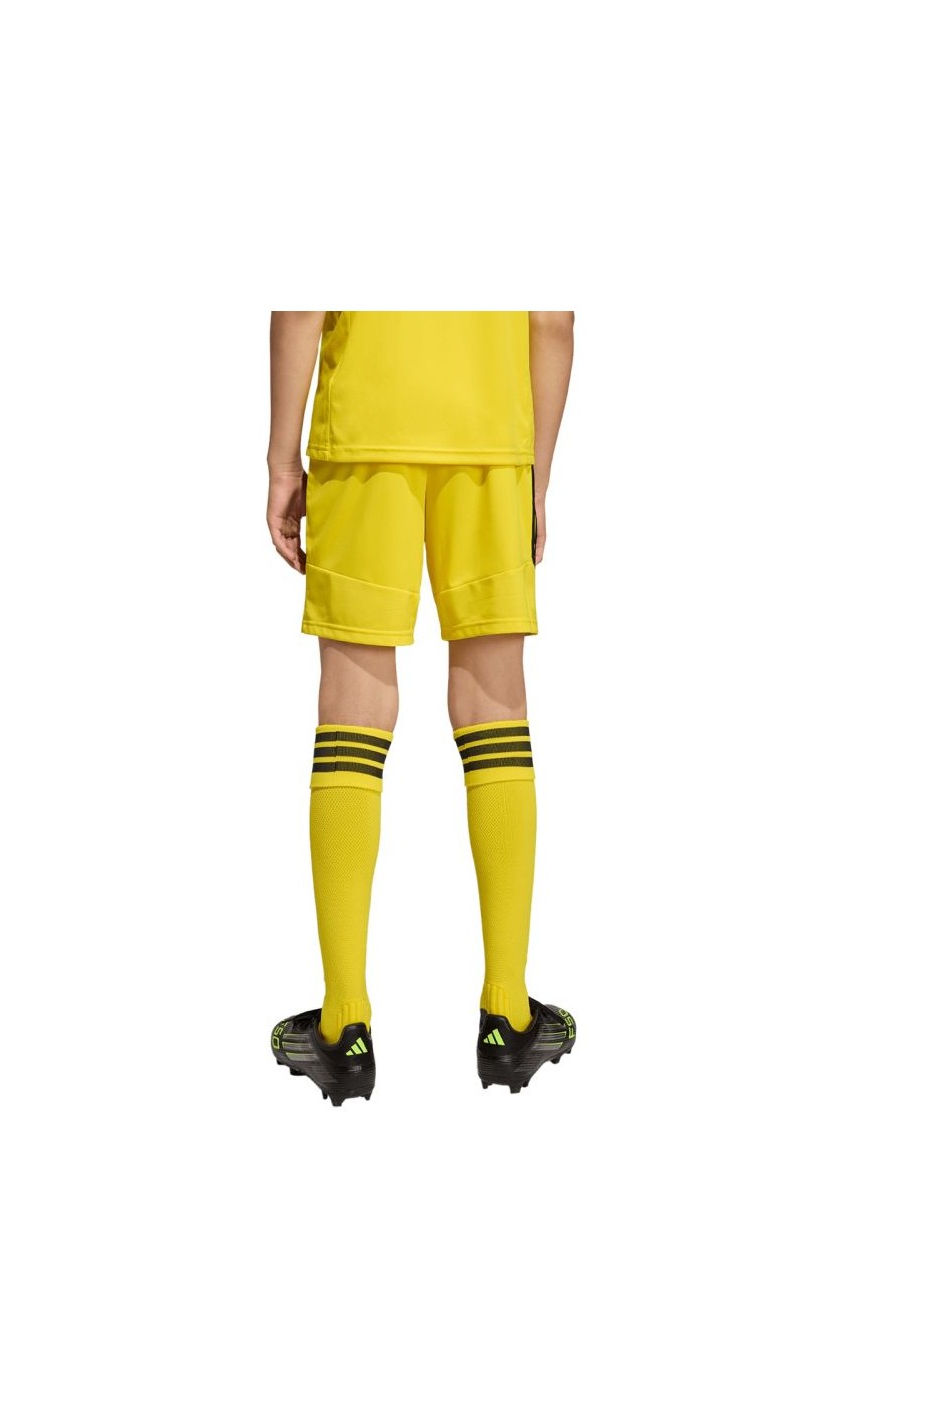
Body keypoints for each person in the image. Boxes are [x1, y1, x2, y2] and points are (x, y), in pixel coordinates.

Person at [266, 311, 576, 1106]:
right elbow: (551, 321)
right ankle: (507, 1014)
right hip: (490, 439)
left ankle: (344, 1024)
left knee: (353, 710)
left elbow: (301, 307)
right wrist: (536, 475)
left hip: (365, 434)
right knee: (494, 708)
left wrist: (281, 461)